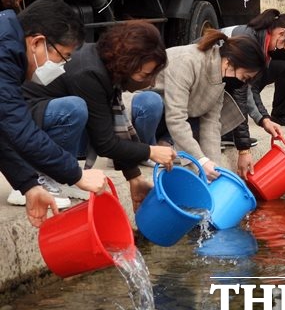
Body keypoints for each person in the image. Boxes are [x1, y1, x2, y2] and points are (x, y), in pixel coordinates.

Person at [23, 21, 176, 211]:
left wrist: (134, 178)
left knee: (86, 112)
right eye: (145, 74)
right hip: (24, 117)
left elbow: (109, 125)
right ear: (128, 63)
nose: (150, 82)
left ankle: (61, 177)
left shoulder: (107, 65)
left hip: (43, 115)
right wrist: (151, 151)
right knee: (75, 108)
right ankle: (36, 177)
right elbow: (106, 144)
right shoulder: (89, 73)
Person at [0, 0, 107, 227]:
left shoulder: (9, 45)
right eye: (64, 56)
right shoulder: (3, 56)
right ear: (37, 42)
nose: (63, 66)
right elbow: (19, 129)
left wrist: (28, 184)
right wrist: (77, 175)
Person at [152, 31, 266, 180]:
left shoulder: (219, 76)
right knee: (150, 103)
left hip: (168, 116)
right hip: (147, 115)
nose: (242, 83)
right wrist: (200, 160)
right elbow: (176, 118)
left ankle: (165, 143)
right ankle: (149, 148)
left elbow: (211, 124)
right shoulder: (188, 61)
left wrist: (214, 168)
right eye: (244, 77)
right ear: (228, 63)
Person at [228, 9, 285, 126]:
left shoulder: (264, 43)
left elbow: (250, 87)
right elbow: (246, 89)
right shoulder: (248, 43)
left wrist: (264, 119)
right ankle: (228, 130)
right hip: (203, 81)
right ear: (282, 34)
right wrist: (264, 119)